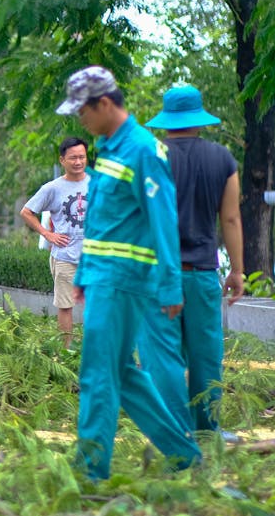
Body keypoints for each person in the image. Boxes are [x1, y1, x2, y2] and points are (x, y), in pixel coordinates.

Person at [56, 65, 201, 481]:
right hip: (102, 277)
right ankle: (185, 456)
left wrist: (171, 284)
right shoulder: (110, 147)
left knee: (97, 375)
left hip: (124, 281)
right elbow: (103, 220)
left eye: (82, 112)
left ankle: (89, 475)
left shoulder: (142, 150)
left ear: (104, 104)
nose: (80, 122)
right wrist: (83, 272)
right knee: (120, 372)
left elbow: (163, 219)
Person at [136, 84, 245, 440]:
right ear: (199, 118)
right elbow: (230, 219)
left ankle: (172, 432)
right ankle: (208, 429)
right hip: (202, 274)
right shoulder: (223, 159)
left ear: (166, 120)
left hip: (158, 276)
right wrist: (238, 270)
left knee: (162, 355)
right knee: (205, 354)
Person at [19, 137, 90, 345]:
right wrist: (47, 234)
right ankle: (65, 354)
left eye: (82, 157)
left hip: (93, 258)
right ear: (62, 160)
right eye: (73, 158)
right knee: (66, 306)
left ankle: (94, 354)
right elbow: (26, 212)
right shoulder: (52, 188)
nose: (78, 162)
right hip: (65, 256)